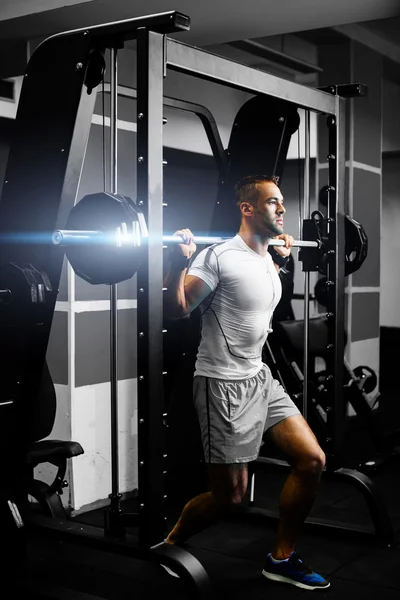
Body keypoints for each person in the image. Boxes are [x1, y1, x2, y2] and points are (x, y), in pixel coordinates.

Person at [163, 174, 329, 591]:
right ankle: (169, 544)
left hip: (259, 378)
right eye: (273, 202)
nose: (282, 208)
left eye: (282, 202)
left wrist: (283, 261)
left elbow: (256, 296)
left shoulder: (266, 258)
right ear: (247, 208)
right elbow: (178, 310)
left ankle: (282, 558)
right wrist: (178, 260)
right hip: (221, 384)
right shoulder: (217, 257)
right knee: (229, 498)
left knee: (312, 460)